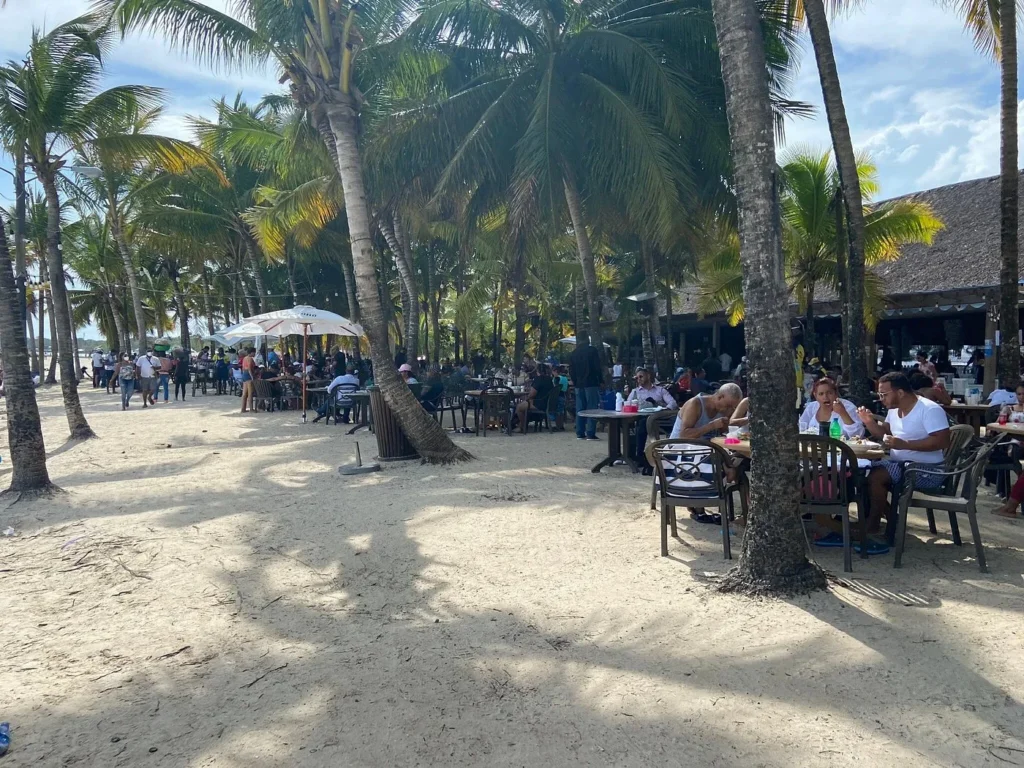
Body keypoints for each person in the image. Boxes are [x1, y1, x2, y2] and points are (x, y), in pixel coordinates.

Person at [856, 372, 951, 551]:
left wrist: (905, 444)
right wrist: (868, 422)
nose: (880, 399)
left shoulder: (929, 409)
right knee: (862, 472)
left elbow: (943, 441)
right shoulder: (894, 410)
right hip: (900, 466)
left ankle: (875, 524)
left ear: (900, 392)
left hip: (927, 471)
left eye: (884, 394)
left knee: (876, 477)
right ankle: (890, 520)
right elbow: (885, 433)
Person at [628, 367, 677, 469]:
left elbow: (672, 403)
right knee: (636, 425)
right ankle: (637, 455)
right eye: (637, 378)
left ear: (648, 376)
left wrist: (664, 409)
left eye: (641, 376)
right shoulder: (635, 392)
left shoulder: (660, 390)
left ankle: (641, 456)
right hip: (640, 418)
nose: (639, 379)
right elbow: (628, 405)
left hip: (659, 420)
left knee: (642, 425)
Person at [670, 382, 743, 439]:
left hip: (705, 451)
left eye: (733, 407)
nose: (730, 409)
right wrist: (712, 425)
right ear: (719, 397)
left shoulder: (724, 410)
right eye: (728, 406)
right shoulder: (695, 404)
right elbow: (683, 435)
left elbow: (721, 433)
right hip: (679, 451)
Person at [798, 378, 864, 437]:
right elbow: (801, 427)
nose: (825, 397)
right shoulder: (811, 407)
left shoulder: (848, 407)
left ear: (835, 394)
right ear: (815, 395)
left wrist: (843, 413)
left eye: (829, 393)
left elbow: (858, 435)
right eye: (821, 394)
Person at [570, 336, 603, 440]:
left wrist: (575, 381)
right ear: (587, 341)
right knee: (592, 408)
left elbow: (571, 370)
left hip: (578, 384)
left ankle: (579, 432)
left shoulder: (574, 353)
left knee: (580, 408)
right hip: (591, 382)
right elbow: (597, 367)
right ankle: (590, 432)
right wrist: (601, 380)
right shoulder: (592, 351)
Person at [515, 363, 555, 433]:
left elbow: (532, 394)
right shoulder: (549, 379)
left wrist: (527, 398)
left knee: (519, 407)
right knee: (524, 405)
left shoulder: (538, 379)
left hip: (539, 403)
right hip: (548, 402)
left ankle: (522, 427)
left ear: (537, 371)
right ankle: (521, 425)